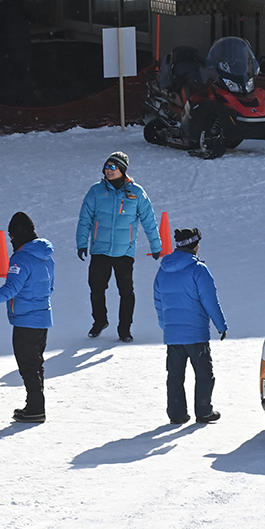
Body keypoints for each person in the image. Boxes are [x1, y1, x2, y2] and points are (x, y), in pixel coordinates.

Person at [0, 211, 54, 423]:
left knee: (28, 367)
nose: (10, 240)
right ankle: (35, 406)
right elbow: (50, 287)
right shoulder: (46, 256)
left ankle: (35, 409)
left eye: (11, 236)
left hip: (25, 320)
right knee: (36, 364)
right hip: (43, 317)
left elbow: (10, 290)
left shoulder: (21, 258)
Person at [76, 151, 161, 342]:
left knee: (126, 291)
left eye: (113, 167)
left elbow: (149, 220)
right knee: (96, 288)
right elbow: (85, 219)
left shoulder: (136, 192)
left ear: (122, 169)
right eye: (106, 166)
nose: (109, 170)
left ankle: (125, 329)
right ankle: (100, 321)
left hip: (124, 251)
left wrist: (156, 245)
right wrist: (82, 243)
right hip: (100, 249)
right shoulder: (96, 191)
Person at [154, 227, 228, 424]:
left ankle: (177, 413)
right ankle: (204, 411)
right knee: (204, 374)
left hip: (173, 334)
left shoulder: (163, 270)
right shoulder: (198, 269)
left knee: (175, 376)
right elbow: (210, 301)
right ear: (195, 245)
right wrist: (221, 325)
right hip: (196, 334)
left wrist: (166, 326)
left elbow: (158, 302)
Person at [0, 0, 37, 105]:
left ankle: (24, 104)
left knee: (24, 80)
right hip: (6, 51)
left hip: (23, 49)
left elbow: (34, 17)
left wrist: (21, 2)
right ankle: (8, 105)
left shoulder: (24, 6)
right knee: (7, 81)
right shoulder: (1, 8)